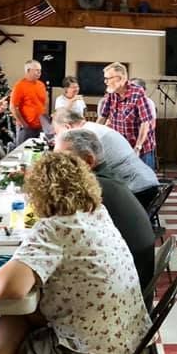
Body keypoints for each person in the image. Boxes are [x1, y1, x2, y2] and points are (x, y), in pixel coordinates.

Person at [0, 152, 151, 354]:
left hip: (89, 352)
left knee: (12, 317)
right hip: (130, 345)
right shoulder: (98, 214)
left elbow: (8, 289)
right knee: (23, 316)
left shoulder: (56, 227)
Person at [54, 128, 155, 306]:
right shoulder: (106, 179)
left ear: (89, 161)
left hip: (124, 295)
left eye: (62, 159)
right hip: (129, 285)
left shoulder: (94, 190)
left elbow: (58, 232)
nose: (55, 165)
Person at [53, 108, 160, 209]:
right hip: (146, 182)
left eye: (57, 133)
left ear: (67, 127)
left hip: (138, 189)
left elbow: (80, 170)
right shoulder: (93, 127)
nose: (56, 137)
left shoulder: (84, 136)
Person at [98, 63, 156, 171]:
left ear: (120, 79)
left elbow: (145, 122)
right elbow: (102, 117)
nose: (105, 82)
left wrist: (138, 147)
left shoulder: (137, 93)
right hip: (121, 148)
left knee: (144, 184)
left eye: (108, 78)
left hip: (141, 149)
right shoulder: (112, 93)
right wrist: (92, 136)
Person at [10, 60, 48, 146]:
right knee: (22, 151)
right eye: (37, 70)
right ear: (28, 71)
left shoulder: (41, 85)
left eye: (40, 70)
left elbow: (43, 103)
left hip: (41, 126)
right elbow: (13, 107)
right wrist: (23, 124)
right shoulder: (19, 86)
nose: (39, 73)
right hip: (26, 127)